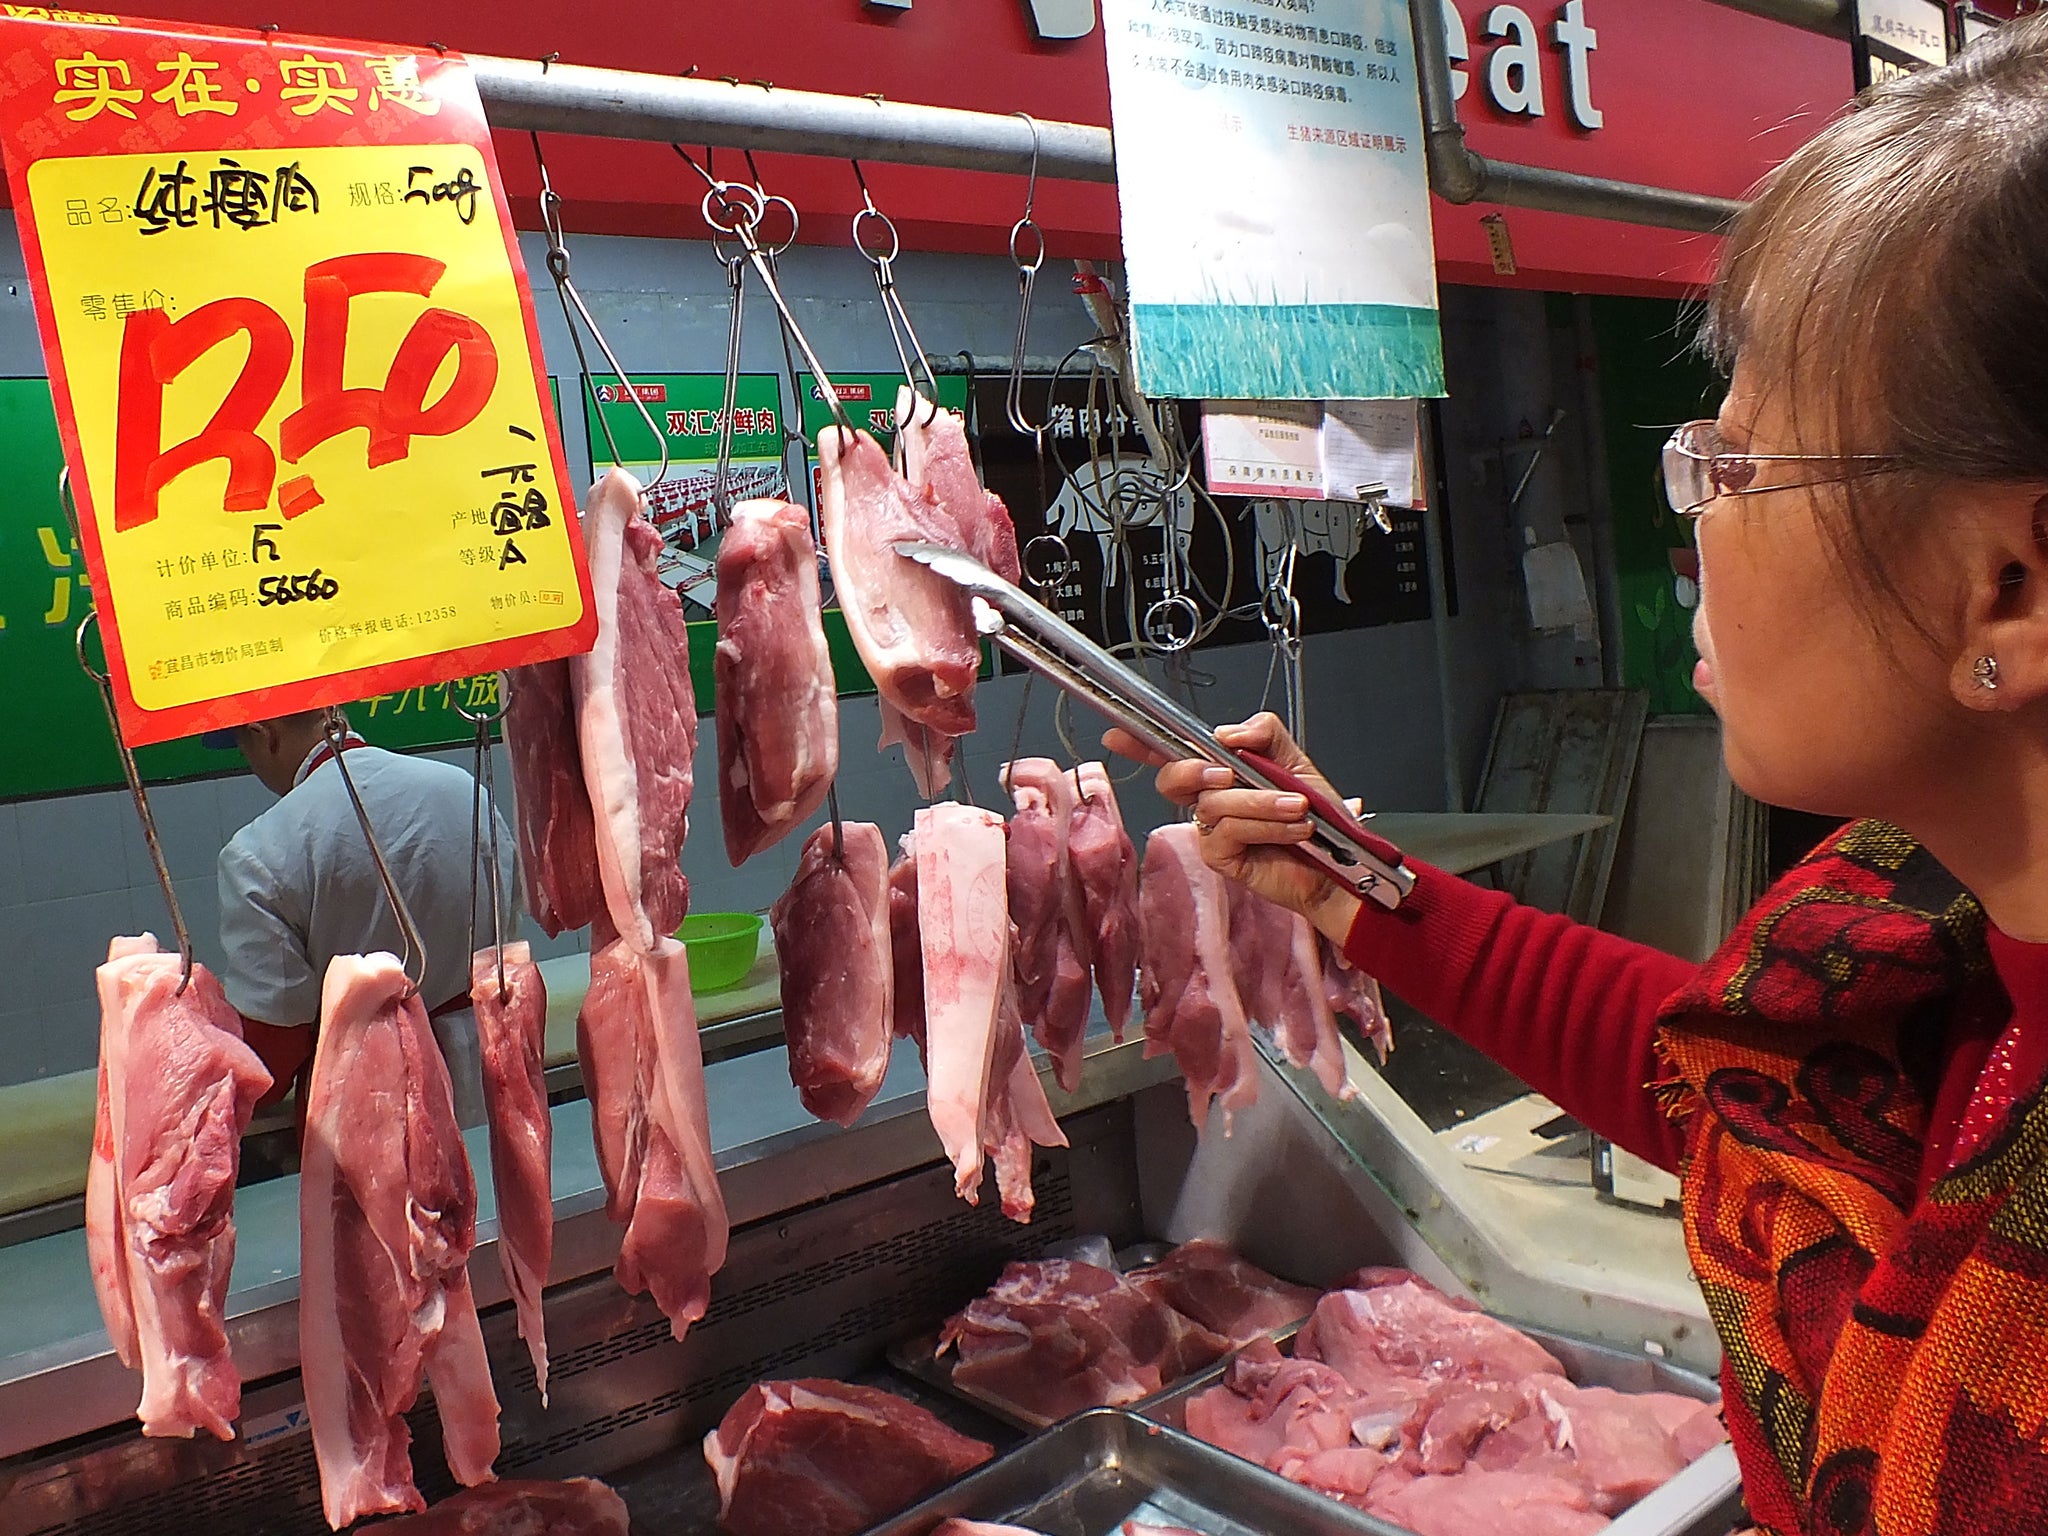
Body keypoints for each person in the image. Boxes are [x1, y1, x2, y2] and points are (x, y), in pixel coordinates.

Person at [1114, 22, 2048, 1536]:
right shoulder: (1925, 924)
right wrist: (1354, 880)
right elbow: (1729, 1086)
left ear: (2010, 584)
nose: (1692, 533)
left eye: (1737, 468)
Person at [212, 705, 517, 1130]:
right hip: (485, 1077)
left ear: (266, 734)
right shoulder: (464, 790)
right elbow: (505, 933)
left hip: (364, 1112)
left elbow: (273, 1049)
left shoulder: (260, 851)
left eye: (246, 751)